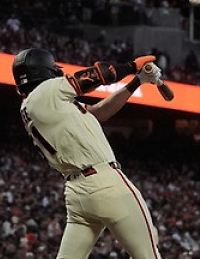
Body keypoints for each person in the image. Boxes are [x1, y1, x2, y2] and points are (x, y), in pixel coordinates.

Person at [12, 48, 164, 259]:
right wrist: (132, 67)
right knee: (148, 255)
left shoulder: (37, 104)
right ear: (45, 71)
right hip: (105, 183)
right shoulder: (46, 91)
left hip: (77, 193)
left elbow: (99, 112)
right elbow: (98, 74)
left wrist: (137, 82)